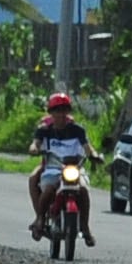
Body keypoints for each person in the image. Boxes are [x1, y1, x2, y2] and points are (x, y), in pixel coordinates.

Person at [29, 92, 93, 237]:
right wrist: (34, 149)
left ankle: (85, 226)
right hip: (52, 168)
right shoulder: (44, 130)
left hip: (74, 168)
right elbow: (36, 144)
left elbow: (87, 147)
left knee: (83, 190)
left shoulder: (78, 130)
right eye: (57, 110)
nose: (61, 114)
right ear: (51, 113)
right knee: (48, 189)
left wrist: (94, 155)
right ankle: (40, 218)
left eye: (64, 110)